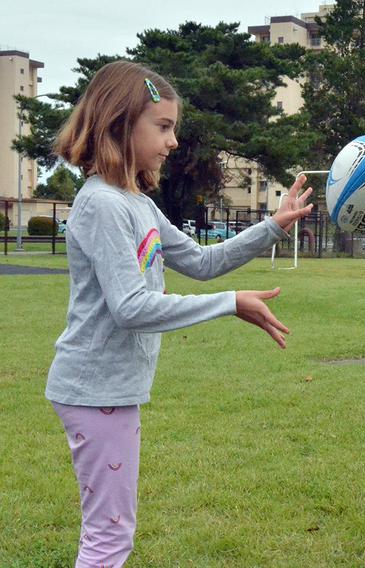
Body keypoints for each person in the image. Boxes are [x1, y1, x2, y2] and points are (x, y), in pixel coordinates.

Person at [46, 60, 314, 567]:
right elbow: (130, 308)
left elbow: (201, 261)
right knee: (108, 537)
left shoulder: (136, 204)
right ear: (120, 123)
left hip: (110, 391)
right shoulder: (102, 205)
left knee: (112, 530)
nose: (172, 142)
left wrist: (273, 226)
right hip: (94, 389)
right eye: (163, 127)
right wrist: (230, 303)